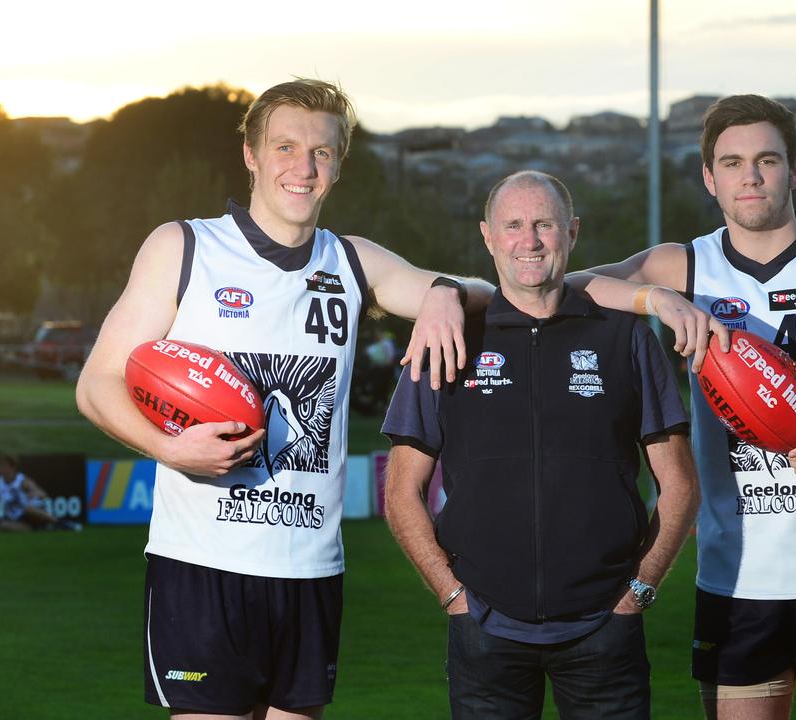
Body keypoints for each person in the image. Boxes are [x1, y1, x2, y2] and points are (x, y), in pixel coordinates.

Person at [74, 78, 506, 720]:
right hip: (203, 565)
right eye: (284, 147)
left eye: (322, 152)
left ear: (337, 164)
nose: (303, 167)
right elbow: (96, 383)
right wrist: (170, 448)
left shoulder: (353, 263)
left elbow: (481, 290)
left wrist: (444, 290)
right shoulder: (184, 247)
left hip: (310, 568)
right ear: (251, 155)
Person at [586, 94, 796, 719]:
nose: (750, 177)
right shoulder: (686, 264)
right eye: (731, 163)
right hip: (736, 572)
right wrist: (657, 300)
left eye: (766, 160)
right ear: (709, 177)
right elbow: (564, 289)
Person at [382, 170, 701, 719]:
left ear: (571, 232)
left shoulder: (625, 338)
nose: (528, 241)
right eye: (512, 225)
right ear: (487, 236)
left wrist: (640, 590)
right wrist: (452, 595)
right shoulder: (447, 338)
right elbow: (401, 493)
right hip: (485, 629)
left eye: (543, 224)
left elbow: (679, 486)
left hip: (605, 627)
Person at [0, 454, 81, 532]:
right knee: (3, 525)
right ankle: (41, 528)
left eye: (3, 466)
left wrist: (34, 494)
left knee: (28, 508)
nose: (0, 468)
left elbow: (42, 493)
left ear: (12, 467)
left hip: (33, 512)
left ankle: (62, 523)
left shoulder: (22, 480)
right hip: (17, 517)